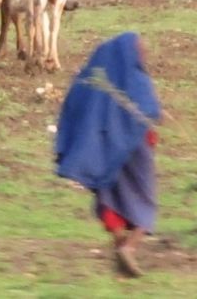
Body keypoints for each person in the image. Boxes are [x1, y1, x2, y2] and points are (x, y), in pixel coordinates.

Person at [55, 33, 162, 277]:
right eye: (141, 50)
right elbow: (150, 112)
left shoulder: (95, 80)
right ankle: (129, 247)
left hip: (107, 152)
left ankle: (119, 242)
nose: (144, 54)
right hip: (137, 150)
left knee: (110, 196)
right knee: (146, 201)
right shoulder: (137, 80)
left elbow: (77, 105)